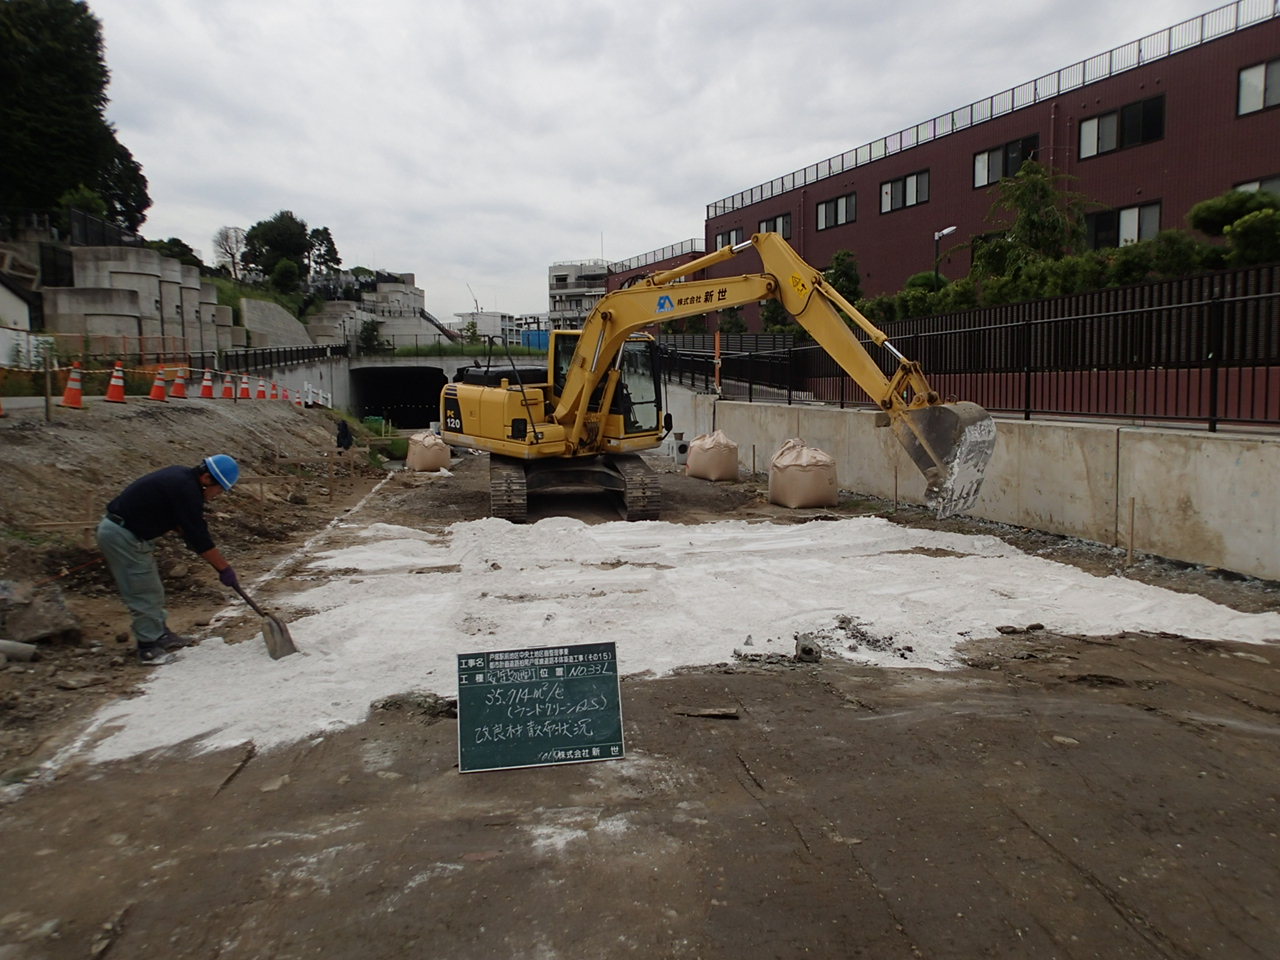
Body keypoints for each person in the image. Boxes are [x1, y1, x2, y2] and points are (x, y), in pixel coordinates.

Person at [96, 455, 242, 665]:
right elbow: (198, 536)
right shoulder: (187, 490)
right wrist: (224, 569)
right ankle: (148, 647)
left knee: (150, 587)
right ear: (207, 479)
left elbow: (180, 523)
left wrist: (193, 538)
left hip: (125, 533)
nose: (216, 496)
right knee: (143, 590)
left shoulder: (181, 478)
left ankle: (160, 633)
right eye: (219, 490)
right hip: (122, 535)